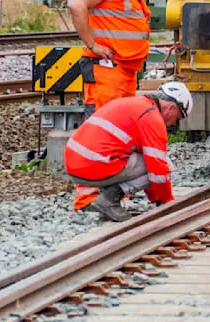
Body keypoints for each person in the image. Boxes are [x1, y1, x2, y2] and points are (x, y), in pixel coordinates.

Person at [65, 81, 193, 222]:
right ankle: (108, 200)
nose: (174, 123)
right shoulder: (152, 118)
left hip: (75, 164)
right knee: (165, 164)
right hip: (94, 165)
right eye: (178, 118)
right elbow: (158, 169)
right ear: (171, 108)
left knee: (146, 160)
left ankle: (98, 201)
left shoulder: (136, 104)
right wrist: (166, 203)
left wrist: (155, 200)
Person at [68, 0, 158, 114]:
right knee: (103, 129)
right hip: (107, 73)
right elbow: (77, 6)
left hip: (123, 73)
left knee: (121, 131)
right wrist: (93, 46)